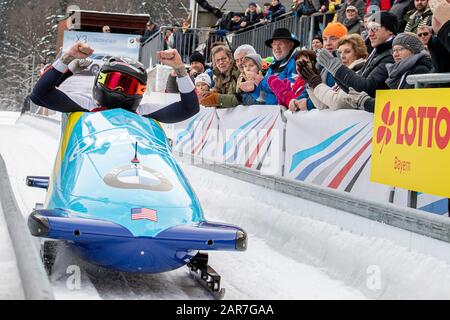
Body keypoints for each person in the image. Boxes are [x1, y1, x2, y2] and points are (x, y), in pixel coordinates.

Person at [30, 42, 199, 123]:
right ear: (100, 80)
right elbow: (39, 95)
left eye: (128, 86)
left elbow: (190, 108)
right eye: (114, 82)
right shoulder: (86, 104)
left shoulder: (143, 111)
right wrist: (67, 57)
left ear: (139, 92)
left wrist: (179, 69)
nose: (119, 89)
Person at [317, 11, 399, 98]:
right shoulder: (376, 52)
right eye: (368, 29)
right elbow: (352, 89)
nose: (370, 34)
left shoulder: (392, 55)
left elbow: (367, 89)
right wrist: (334, 70)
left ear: (390, 30)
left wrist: (336, 68)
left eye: (375, 28)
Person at [348, 32, 433, 112]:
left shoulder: (420, 70)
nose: (395, 54)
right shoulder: (399, 72)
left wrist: (365, 102)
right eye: (394, 51)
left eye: (400, 49)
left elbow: (402, 107)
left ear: (414, 50)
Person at [299, 34, 368, 110]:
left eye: (347, 52)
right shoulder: (343, 73)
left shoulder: (361, 72)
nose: (342, 56)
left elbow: (338, 104)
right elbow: (323, 106)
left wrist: (317, 84)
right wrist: (311, 84)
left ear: (359, 53)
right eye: (340, 52)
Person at [256, 28, 301, 106]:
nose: (277, 48)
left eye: (280, 44)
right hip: (272, 113)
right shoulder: (274, 64)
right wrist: (252, 90)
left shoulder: (296, 62)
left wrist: (262, 82)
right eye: (274, 44)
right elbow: (265, 96)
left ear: (291, 45)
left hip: (287, 114)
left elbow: (289, 89)